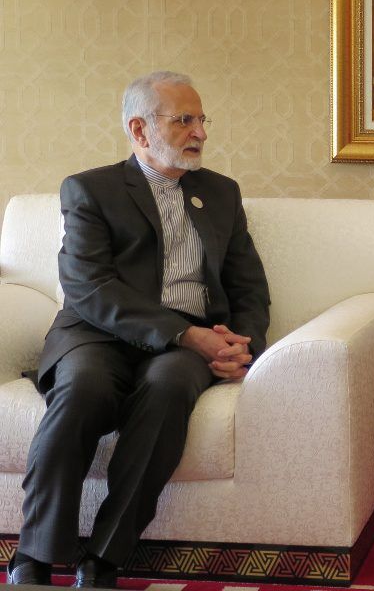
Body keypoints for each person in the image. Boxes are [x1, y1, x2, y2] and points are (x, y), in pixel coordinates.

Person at [6, 71, 271, 588]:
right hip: (96, 334)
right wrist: (183, 334)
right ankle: (34, 557)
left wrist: (244, 344)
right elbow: (89, 286)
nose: (200, 132)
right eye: (184, 120)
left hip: (184, 348)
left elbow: (248, 286)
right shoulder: (91, 189)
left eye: (201, 119)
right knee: (82, 390)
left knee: (169, 387)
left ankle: (104, 558)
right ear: (139, 129)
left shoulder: (221, 193)